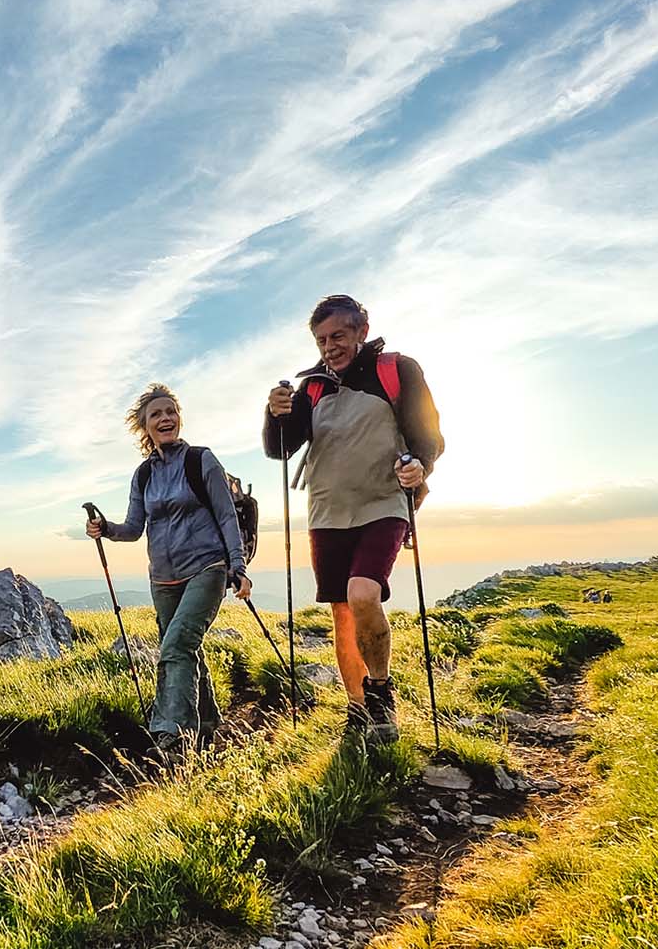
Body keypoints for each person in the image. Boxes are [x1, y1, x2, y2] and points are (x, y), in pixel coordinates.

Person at [263, 295, 442, 744]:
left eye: (338, 336)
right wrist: (275, 415)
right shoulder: (313, 388)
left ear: (362, 330)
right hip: (327, 510)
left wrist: (419, 464)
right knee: (343, 610)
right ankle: (357, 709)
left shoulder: (397, 370)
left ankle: (380, 691)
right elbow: (281, 448)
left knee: (363, 593)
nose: (330, 347)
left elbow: (429, 436)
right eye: (322, 340)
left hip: (383, 502)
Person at [87, 383, 251, 758]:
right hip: (162, 578)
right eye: (156, 414)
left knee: (176, 645)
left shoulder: (201, 460)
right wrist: (106, 528)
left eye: (171, 411)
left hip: (207, 567)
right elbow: (132, 528)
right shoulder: (143, 475)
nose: (166, 418)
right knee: (185, 647)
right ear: (145, 427)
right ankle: (207, 728)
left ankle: (172, 735)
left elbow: (227, 516)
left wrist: (236, 567)